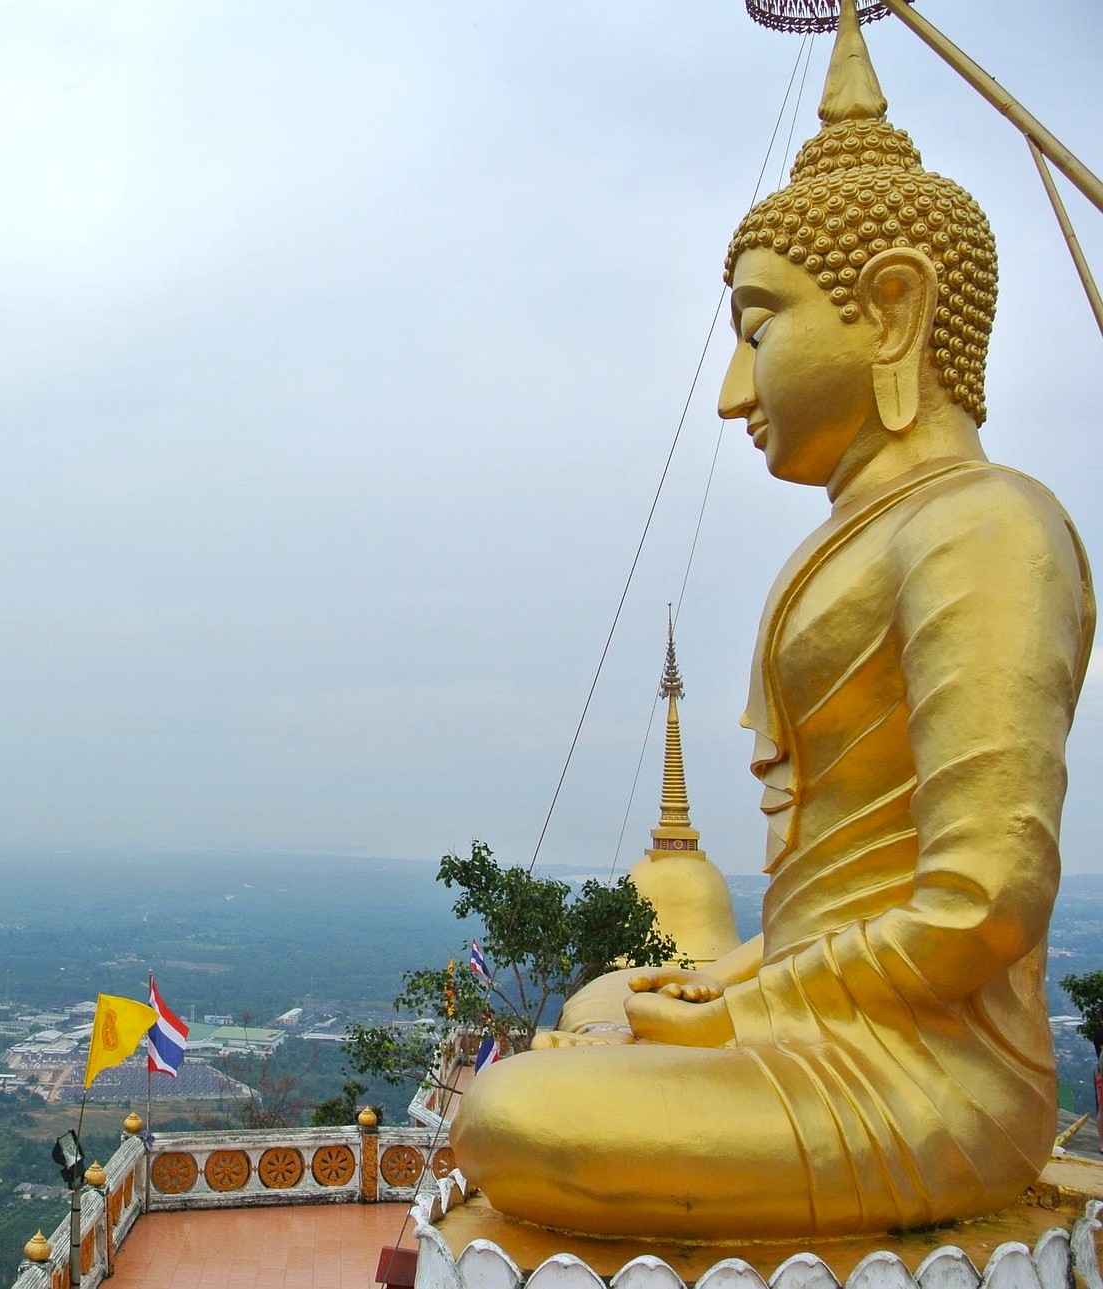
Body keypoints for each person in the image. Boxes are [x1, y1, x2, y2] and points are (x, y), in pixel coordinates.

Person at [450, 0, 1094, 1239]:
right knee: (592, 1007)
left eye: (759, 328)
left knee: (514, 1114)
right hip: (829, 1011)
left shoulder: (988, 526)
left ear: (894, 309)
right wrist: (712, 980)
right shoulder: (860, 540)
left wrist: (743, 1007)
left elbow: (984, 900)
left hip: (932, 1074)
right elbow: (823, 912)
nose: (737, 389)